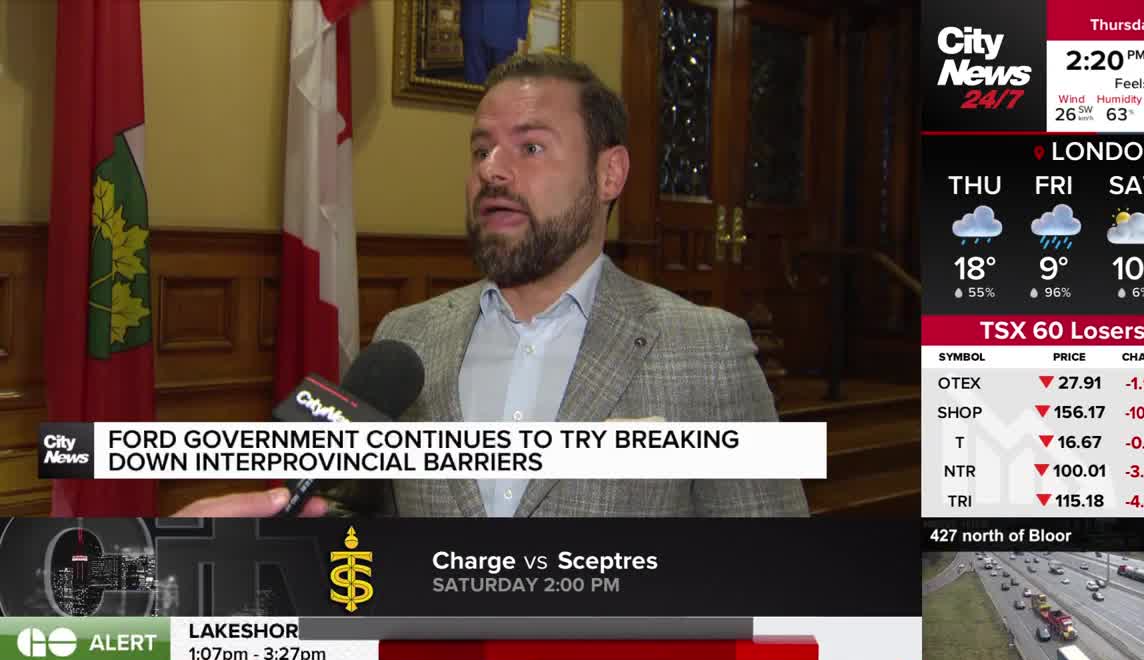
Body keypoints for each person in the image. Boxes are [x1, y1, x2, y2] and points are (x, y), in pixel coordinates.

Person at [177, 54, 809, 519]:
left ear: (610, 173)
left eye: (530, 148)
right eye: (481, 150)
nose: (492, 171)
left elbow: (775, 586)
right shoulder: (407, 341)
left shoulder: (707, 352)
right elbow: (365, 535)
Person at [460, 0, 530, 85]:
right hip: (472, 24)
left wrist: (521, 34)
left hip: (505, 29)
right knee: (473, 83)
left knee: (502, 83)